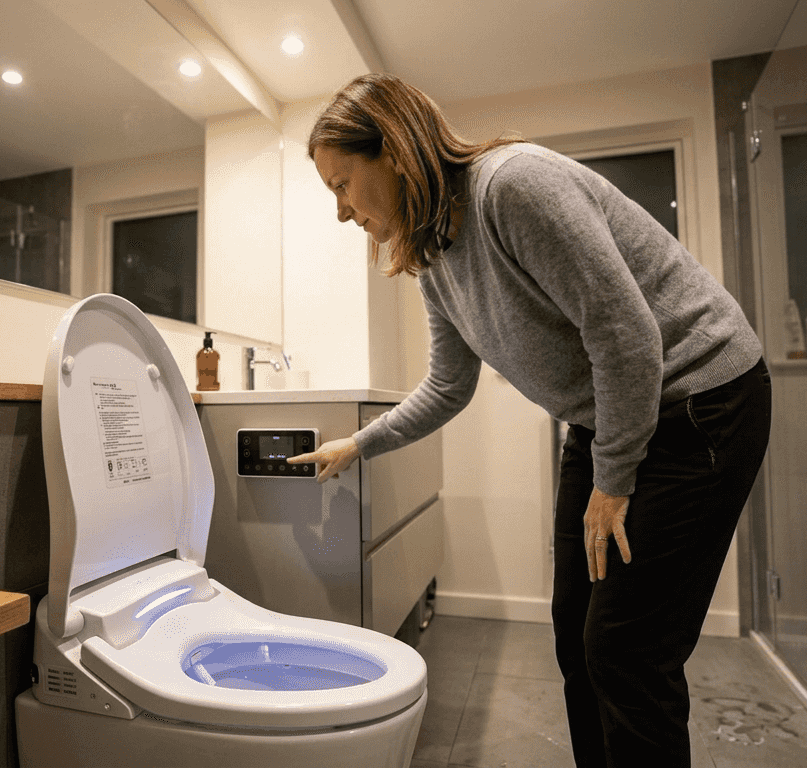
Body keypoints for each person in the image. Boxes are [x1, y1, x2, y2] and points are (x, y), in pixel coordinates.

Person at [286, 74, 771, 768]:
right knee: (575, 634)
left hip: (703, 401)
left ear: (391, 151)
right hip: (611, 419)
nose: (340, 212)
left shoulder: (512, 187)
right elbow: (449, 386)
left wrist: (615, 480)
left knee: (627, 647)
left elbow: (627, 333)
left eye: (341, 184)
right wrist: (361, 443)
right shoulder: (436, 258)